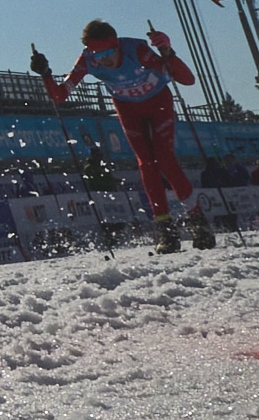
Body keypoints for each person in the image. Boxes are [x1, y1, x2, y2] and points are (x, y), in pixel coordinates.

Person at [33, 21, 208, 252]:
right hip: (128, 108)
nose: (104, 59)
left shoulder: (137, 51)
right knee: (146, 164)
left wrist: (167, 51)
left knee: (165, 159)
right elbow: (60, 95)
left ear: (116, 45)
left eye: (108, 52)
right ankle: (166, 230)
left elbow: (187, 79)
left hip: (158, 103)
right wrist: (45, 74)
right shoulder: (88, 59)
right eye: (98, 54)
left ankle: (198, 224)